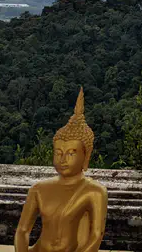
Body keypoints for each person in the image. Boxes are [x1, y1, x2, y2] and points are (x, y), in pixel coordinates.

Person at [15, 88, 108, 252]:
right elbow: (22, 231)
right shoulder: (38, 189)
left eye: (71, 153)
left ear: (86, 156)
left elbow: (96, 235)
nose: (63, 159)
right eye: (58, 153)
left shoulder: (94, 192)